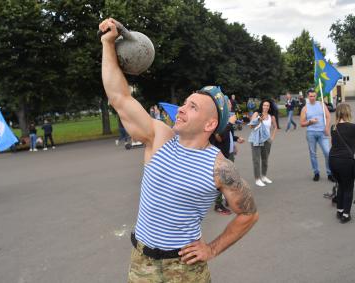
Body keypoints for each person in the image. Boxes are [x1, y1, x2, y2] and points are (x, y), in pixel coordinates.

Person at [99, 18, 258, 282]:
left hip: (185, 269)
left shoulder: (219, 168)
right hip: (142, 263)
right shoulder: (160, 137)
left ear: (210, 124)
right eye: (185, 103)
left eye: (193, 107)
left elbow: (249, 214)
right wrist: (107, 44)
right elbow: (120, 97)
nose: (182, 108)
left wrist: (212, 248)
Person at [209, 105, 245, 215]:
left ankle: (229, 200)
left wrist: (235, 139)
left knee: (230, 178)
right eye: (226, 102)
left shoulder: (226, 118)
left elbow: (228, 134)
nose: (229, 104)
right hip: (221, 155)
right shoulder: (217, 120)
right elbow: (219, 137)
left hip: (229, 153)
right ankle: (218, 204)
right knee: (221, 180)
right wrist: (230, 123)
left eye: (228, 101)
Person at [300, 89, 334, 182]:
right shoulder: (305, 108)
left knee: (327, 153)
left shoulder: (321, 104)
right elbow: (302, 123)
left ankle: (330, 173)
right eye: (310, 96)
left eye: (314, 96)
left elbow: (328, 116)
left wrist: (327, 127)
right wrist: (310, 122)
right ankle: (316, 173)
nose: (312, 98)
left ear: (316, 96)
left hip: (323, 132)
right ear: (308, 96)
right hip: (311, 133)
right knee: (313, 154)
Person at [248, 99, 277, 187]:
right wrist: (258, 120)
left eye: (267, 106)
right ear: (262, 106)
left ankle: (264, 176)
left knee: (265, 159)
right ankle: (257, 179)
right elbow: (251, 126)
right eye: (264, 105)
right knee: (256, 160)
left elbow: (275, 127)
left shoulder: (271, 117)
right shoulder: (257, 114)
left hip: (266, 140)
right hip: (256, 139)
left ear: (269, 107)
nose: (266, 107)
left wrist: (272, 138)